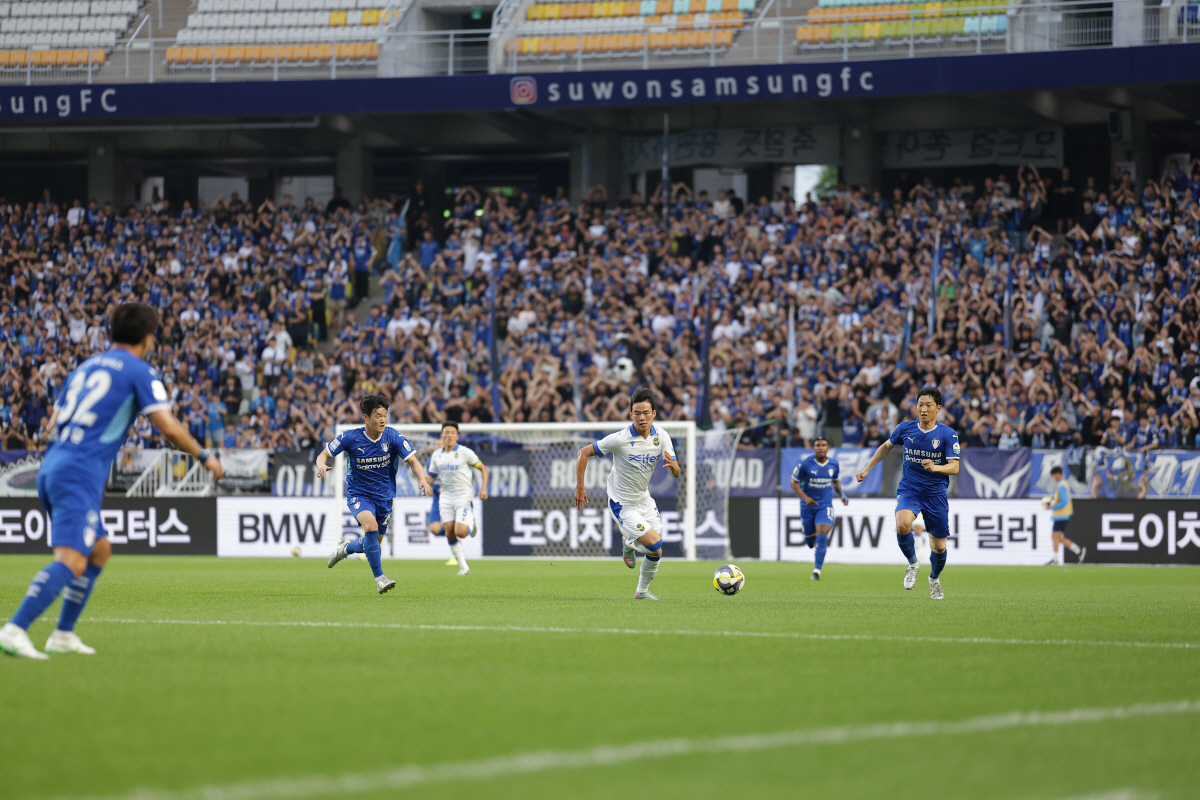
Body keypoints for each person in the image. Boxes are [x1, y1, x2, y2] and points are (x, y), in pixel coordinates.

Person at [0, 302, 224, 660]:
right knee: (72, 559)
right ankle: (15, 628)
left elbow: (50, 424)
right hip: (78, 473)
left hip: (52, 464)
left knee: (99, 550)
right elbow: (167, 428)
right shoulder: (140, 371)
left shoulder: (85, 367)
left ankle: (63, 634)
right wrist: (205, 456)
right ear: (149, 338)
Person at [574, 386, 681, 600]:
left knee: (656, 552)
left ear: (654, 414)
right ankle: (630, 541)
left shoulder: (661, 436)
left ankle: (641, 592)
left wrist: (673, 467)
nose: (642, 418)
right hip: (622, 503)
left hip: (644, 500)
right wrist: (580, 486)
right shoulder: (620, 439)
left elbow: (677, 473)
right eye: (637, 413)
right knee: (655, 544)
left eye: (646, 413)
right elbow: (583, 453)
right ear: (631, 414)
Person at [318, 394, 431, 594]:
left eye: (385, 415)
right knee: (370, 527)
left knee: (372, 545)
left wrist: (422, 479)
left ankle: (345, 548)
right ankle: (380, 579)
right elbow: (324, 454)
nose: (382, 419)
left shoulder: (393, 436)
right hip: (359, 494)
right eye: (378, 415)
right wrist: (321, 464)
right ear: (365, 417)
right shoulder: (350, 437)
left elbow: (413, 461)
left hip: (385, 497)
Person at [855, 387, 960, 600]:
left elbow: (954, 467)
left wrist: (936, 468)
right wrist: (867, 468)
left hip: (935, 493)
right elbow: (886, 447)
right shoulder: (905, 428)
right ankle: (913, 563)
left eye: (928, 405)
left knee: (938, 547)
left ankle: (934, 579)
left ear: (938, 408)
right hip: (910, 489)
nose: (923, 409)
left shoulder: (948, 434)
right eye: (920, 404)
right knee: (902, 524)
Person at [426, 421, 488, 576]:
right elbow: (432, 477)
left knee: (460, 532)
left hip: (463, 497)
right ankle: (464, 568)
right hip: (445, 498)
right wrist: (424, 483)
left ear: (457, 436)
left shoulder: (466, 452)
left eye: (452, 433)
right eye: (446, 432)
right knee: (449, 532)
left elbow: (483, 469)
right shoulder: (436, 455)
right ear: (442, 435)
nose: (449, 435)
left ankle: (470, 522)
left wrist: (484, 488)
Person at [789, 437, 848, 581]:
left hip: (825, 505)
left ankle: (816, 571)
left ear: (828, 447)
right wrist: (805, 498)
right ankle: (811, 539)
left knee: (822, 534)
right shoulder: (805, 464)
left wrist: (842, 494)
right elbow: (793, 482)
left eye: (823, 445)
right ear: (813, 448)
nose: (820, 448)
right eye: (817, 445)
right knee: (810, 543)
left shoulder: (834, 464)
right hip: (807, 506)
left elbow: (835, 481)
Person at [1044, 465, 1085, 565]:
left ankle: (1056, 559)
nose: (1053, 478)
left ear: (1057, 474)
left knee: (1055, 537)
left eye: (1053, 475)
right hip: (1062, 515)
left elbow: (1064, 501)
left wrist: (1052, 507)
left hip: (1060, 515)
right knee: (1058, 538)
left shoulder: (1062, 485)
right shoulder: (1064, 484)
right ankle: (1078, 551)